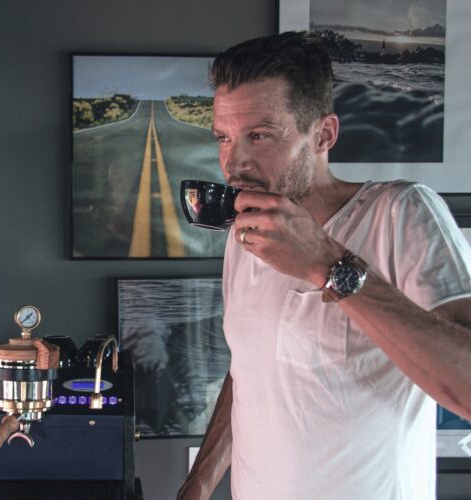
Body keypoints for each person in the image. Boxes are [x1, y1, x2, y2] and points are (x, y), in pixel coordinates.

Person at [177, 31, 471, 500]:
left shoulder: (401, 214)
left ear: (324, 134)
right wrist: (199, 481)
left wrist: (328, 264)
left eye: (259, 135)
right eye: (223, 138)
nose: (234, 163)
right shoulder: (244, 235)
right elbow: (252, 369)